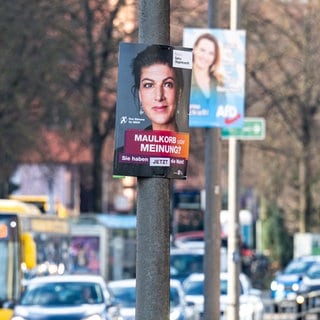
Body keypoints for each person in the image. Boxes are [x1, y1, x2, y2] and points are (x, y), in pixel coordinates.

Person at [131, 45, 185, 132]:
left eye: (167, 84)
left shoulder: (196, 144)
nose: (159, 96)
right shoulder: (129, 146)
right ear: (140, 94)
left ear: (179, 92)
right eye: (149, 85)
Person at [190, 33, 226, 127]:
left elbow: (223, 114)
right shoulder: (182, 78)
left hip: (214, 137)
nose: (205, 56)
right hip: (187, 136)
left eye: (211, 53)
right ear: (194, 49)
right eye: (202, 50)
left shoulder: (219, 82)